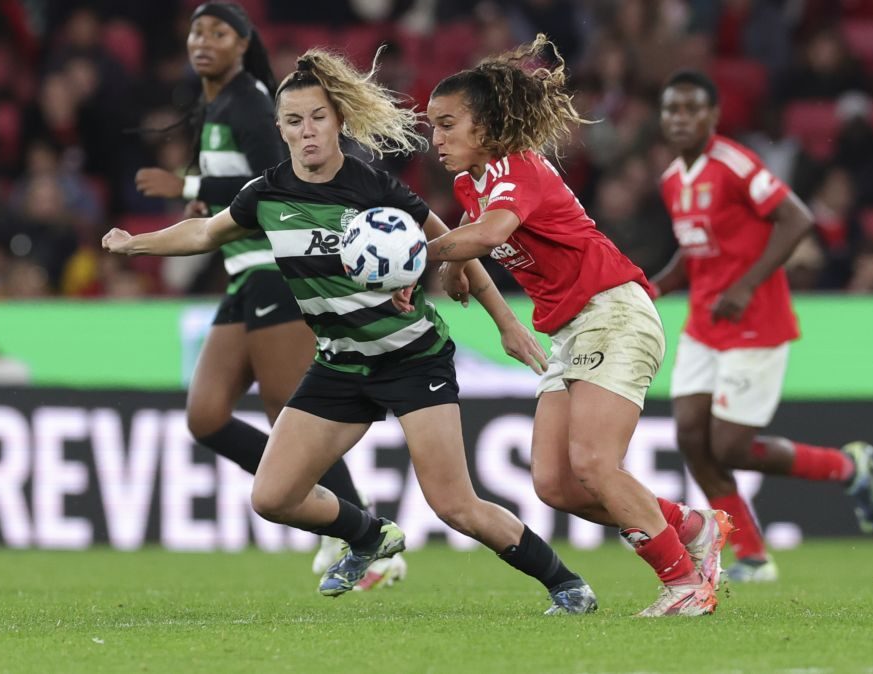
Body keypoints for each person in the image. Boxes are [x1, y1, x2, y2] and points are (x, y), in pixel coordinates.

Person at [104, 46, 599, 615]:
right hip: (340, 363)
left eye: (317, 117)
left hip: (412, 359)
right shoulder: (268, 194)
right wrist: (134, 242)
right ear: (280, 129)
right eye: (294, 121)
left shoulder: (373, 187)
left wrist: (506, 323)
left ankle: (565, 583)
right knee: (272, 497)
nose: (307, 131)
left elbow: (456, 246)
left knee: (455, 504)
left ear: (338, 120)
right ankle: (369, 536)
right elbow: (202, 234)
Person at [422, 35, 730, 617]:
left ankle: (684, 583)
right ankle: (690, 526)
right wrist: (456, 268)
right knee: (556, 484)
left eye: (447, 124)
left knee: (593, 464)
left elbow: (489, 233)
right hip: (571, 330)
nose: (436, 139)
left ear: (485, 126)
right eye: (432, 126)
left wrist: (424, 256)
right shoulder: (474, 182)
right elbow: (475, 228)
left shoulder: (520, 168)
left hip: (612, 311)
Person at [131, 1, 401, 588]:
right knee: (206, 417)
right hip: (240, 271)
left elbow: (279, 178)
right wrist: (205, 203)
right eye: (196, 30)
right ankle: (350, 523)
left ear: (242, 41)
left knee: (294, 415)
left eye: (219, 32)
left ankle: (366, 539)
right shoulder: (218, 106)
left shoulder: (253, 102)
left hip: (277, 268)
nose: (203, 40)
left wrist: (193, 184)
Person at [652, 70, 873, 582]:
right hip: (704, 325)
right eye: (671, 109)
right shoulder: (672, 178)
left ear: (712, 116)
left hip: (756, 322)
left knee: (731, 447)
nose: (680, 118)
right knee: (692, 438)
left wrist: (747, 285)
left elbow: (797, 218)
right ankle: (753, 556)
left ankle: (845, 467)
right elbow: (692, 253)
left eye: (691, 109)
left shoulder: (734, 163)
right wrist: (651, 288)